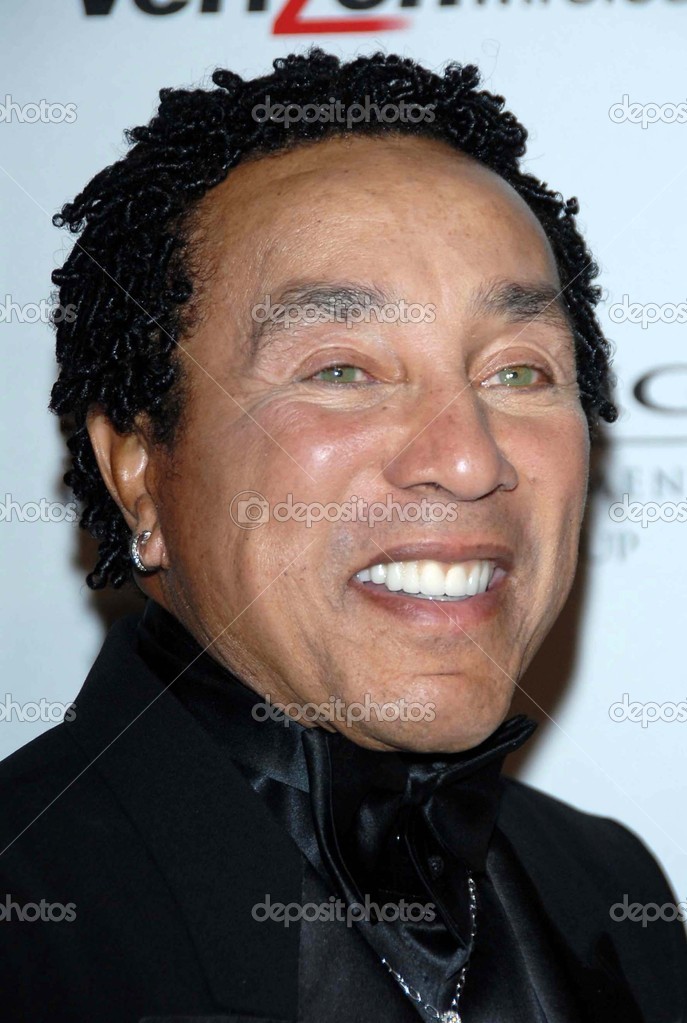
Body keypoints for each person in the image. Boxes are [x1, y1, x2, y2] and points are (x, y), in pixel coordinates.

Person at [0, 49, 684, 1023]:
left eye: (518, 372)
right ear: (140, 471)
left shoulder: (609, 885)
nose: (467, 458)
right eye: (341, 370)